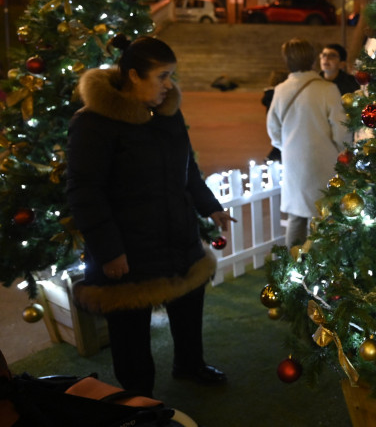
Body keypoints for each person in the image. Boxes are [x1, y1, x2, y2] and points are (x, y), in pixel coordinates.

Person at [66, 35, 234, 397]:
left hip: (178, 237)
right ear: (133, 76)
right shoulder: (93, 123)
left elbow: (187, 170)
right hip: (129, 248)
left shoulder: (167, 113)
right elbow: (85, 192)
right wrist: (110, 252)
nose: (168, 85)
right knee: (130, 332)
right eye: (161, 76)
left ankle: (190, 364)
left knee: (188, 307)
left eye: (171, 75)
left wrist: (211, 207)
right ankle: (139, 397)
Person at [267, 39, 349, 247]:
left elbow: (273, 129)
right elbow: (341, 130)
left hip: (294, 162)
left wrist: (287, 146)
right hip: (323, 161)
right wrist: (343, 151)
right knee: (324, 216)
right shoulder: (327, 89)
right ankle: (321, 267)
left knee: (296, 216)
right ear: (312, 59)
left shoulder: (280, 90)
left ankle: (293, 267)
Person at [262, 69, 289, 162]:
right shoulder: (278, 95)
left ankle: (270, 161)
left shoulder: (269, 94)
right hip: (282, 123)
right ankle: (270, 161)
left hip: (274, 124)